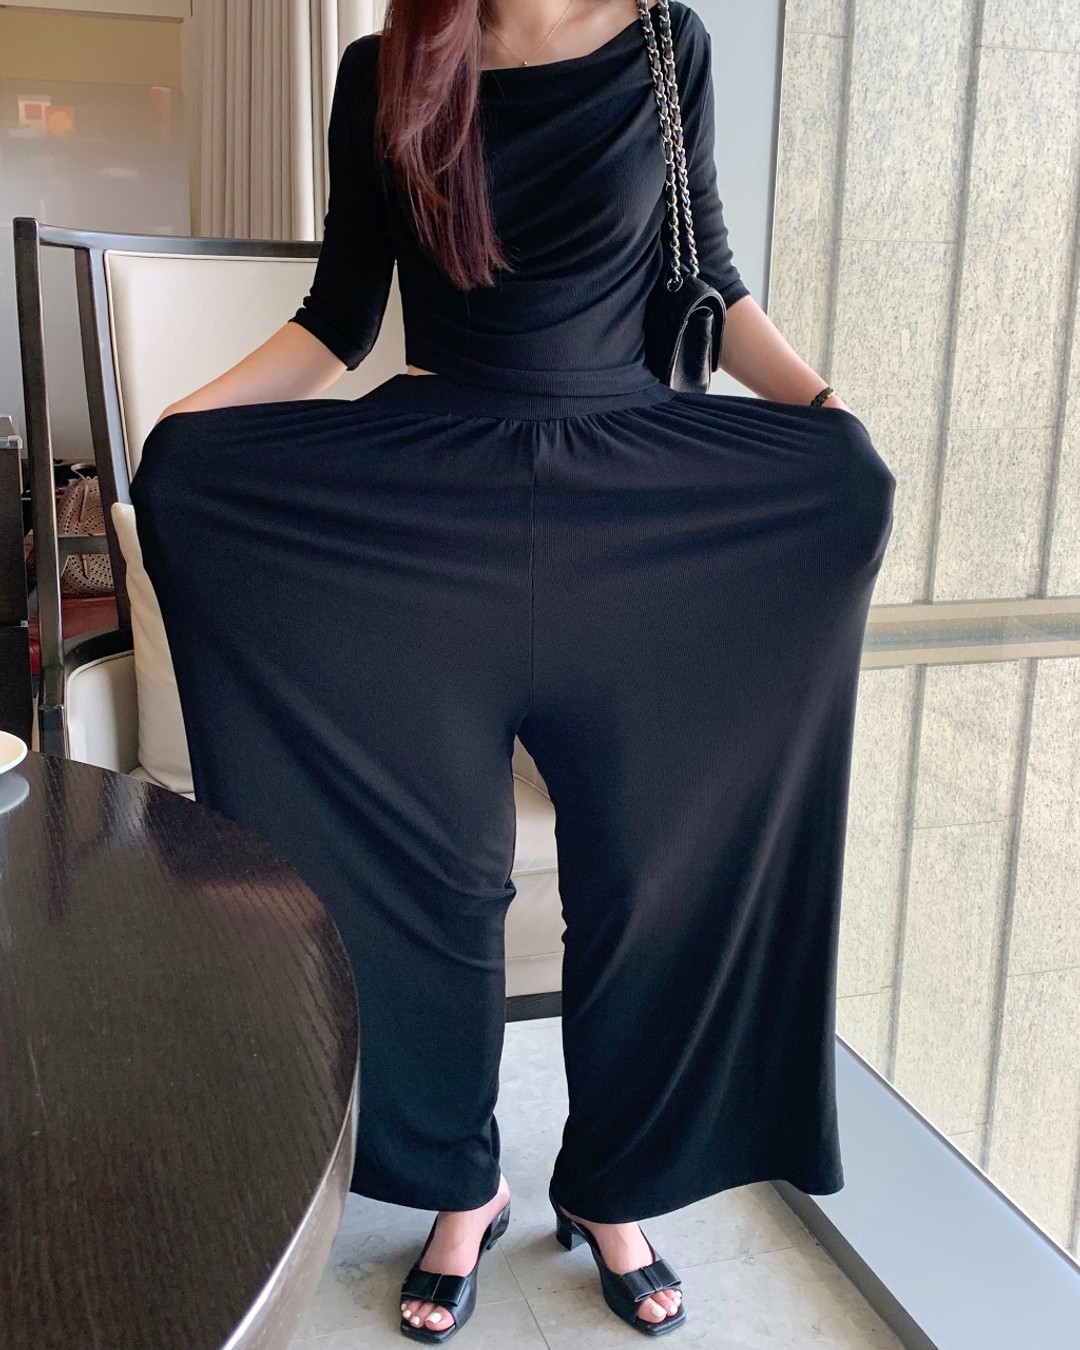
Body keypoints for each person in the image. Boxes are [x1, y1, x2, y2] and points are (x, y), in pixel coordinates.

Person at [130, 0, 896, 1341]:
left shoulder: (667, 44)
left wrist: (826, 414)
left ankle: (616, 1186)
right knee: (432, 875)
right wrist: (187, 430)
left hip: (632, 503)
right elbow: (338, 318)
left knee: (650, 872)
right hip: (434, 508)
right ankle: (458, 1183)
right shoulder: (387, 66)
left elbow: (711, 288)